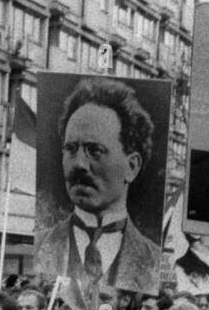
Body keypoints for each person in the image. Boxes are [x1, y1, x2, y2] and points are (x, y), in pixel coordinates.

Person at [37, 77, 161, 298]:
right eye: (71, 149)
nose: (79, 164)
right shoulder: (41, 248)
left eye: (94, 151)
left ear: (131, 166)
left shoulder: (154, 261)